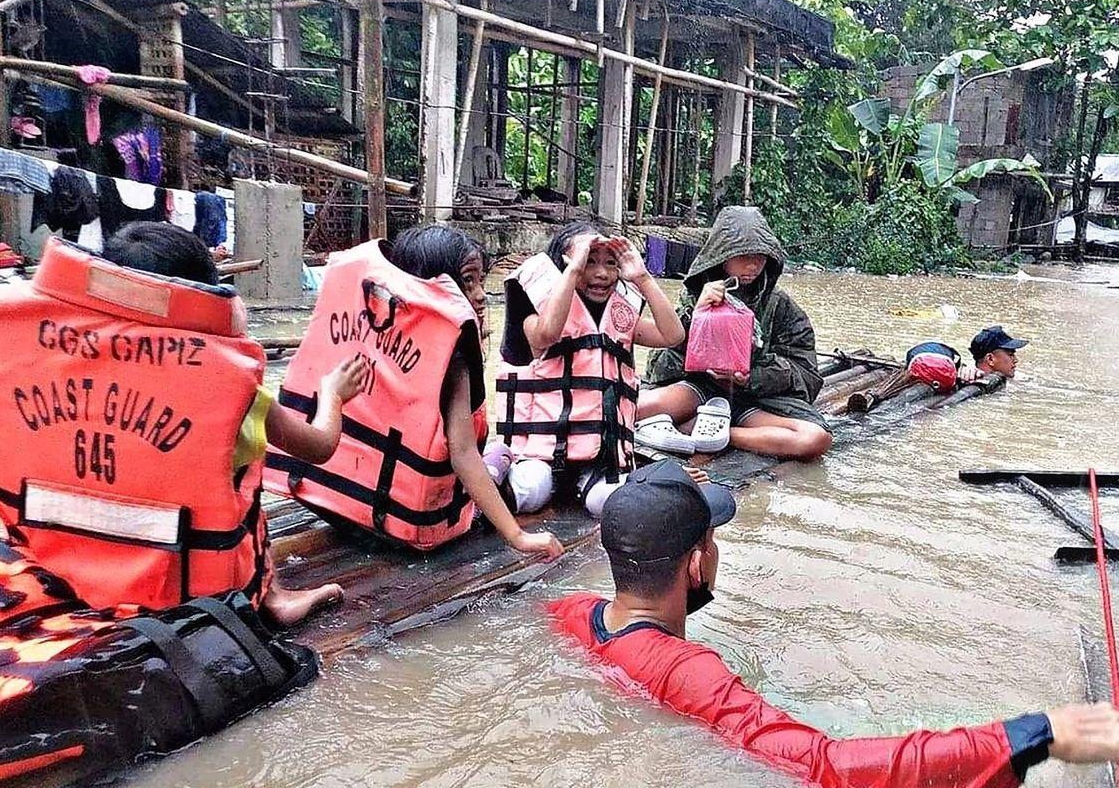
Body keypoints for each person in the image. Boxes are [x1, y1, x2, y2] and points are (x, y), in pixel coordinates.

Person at [551, 459, 1119, 788]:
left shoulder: (573, 614)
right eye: (712, 541)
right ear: (693, 565)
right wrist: (1034, 734)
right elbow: (832, 770)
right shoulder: (691, 672)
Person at [0, 223, 360, 627]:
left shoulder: (29, 353)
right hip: (186, 590)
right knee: (242, 480)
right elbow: (318, 446)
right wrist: (333, 393)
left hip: (55, 564)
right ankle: (274, 598)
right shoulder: (231, 383)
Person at [264, 224, 563, 561]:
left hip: (333, 503)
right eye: (467, 281)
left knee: (495, 454)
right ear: (434, 284)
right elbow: (463, 454)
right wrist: (518, 536)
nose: (480, 294)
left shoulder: (363, 319)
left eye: (481, 280)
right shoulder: (452, 354)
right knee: (515, 464)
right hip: (405, 528)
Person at [495, 222, 685, 518]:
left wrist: (642, 277)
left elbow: (672, 336)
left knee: (609, 504)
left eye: (611, 264)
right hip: (540, 454)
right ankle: (494, 468)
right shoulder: (535, 310)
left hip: (600, 457)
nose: (601, 273)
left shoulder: (621, 313)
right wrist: (572, 272)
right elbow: (545, 336)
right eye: (588, 261)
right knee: (531, 491)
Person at [636, 207, 832, 461]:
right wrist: (696, 316)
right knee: (629, 411)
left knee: (814, 439)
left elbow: (806, 373)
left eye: (760, 257)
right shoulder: (697, 295)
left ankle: (712, 432)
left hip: (754, 401)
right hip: (698, 390)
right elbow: (662, 361)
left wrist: (750, 376)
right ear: (722, 256)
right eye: (743, 256)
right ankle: (699, 425)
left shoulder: (781, 306)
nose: (753, 266)